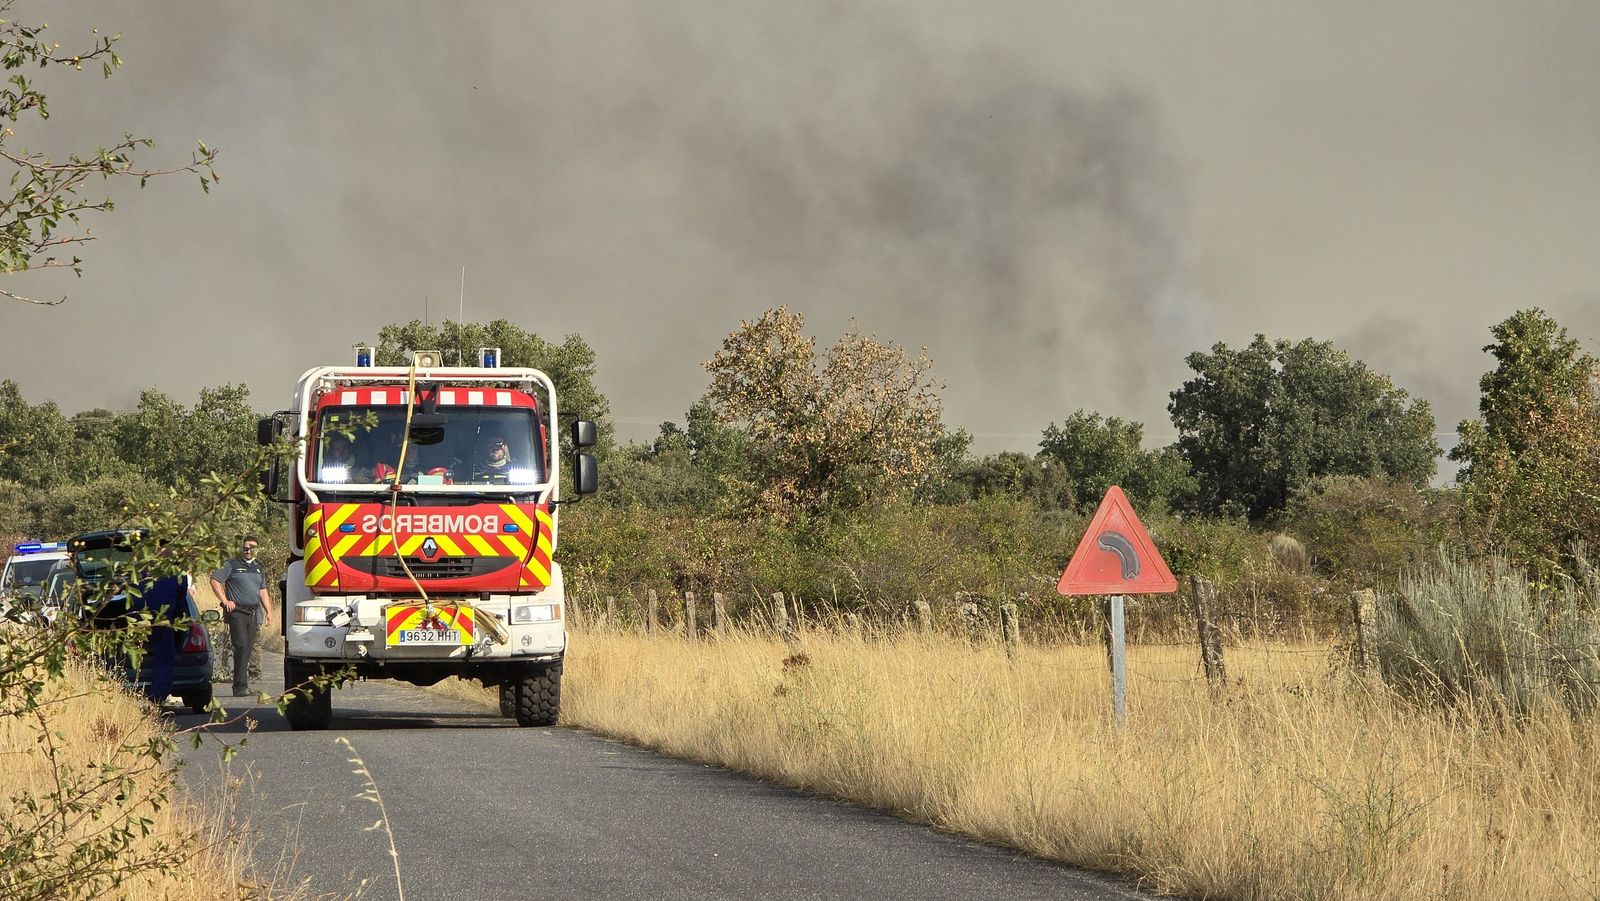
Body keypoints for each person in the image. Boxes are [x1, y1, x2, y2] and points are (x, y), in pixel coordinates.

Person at [210, 536, 272, 697]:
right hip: (237, 613)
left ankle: (242, 684)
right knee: (241, 646)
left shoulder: (259, 567)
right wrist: (225, 601)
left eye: (252, 548)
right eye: (245, 548)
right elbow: (215, 580)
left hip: (253, 613)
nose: (248, 551)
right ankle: (240, 686)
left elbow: (262, 590)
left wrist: (268, 611)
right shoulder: (231, 565)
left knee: (249, 648)